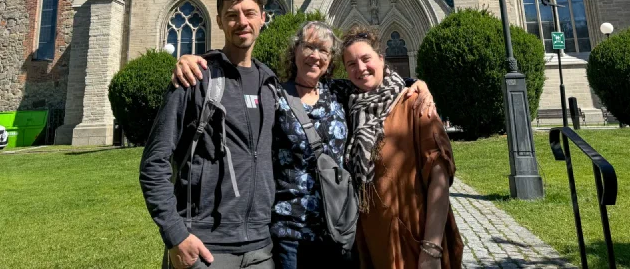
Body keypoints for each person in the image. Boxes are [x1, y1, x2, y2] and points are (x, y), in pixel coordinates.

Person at [172, 21, 436, 269]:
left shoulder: (339, 92)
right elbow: (237, 82)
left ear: (330, 59)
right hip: (290, 232)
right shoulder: (273, 92)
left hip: (338, 228)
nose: (315, 55)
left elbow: (377, 87)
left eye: (323, 50)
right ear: (295, 50)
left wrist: (418, 85)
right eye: (308, 46)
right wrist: (194, 61)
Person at [140, 0, 276, 269]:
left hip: (261, 248)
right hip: (205, 247)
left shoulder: (270, 85)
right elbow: (154, 162)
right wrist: (176, 235)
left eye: (250, 13)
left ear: (263, 17)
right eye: (232, 15)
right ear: (219, 21)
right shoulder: (195, 79)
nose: (242, 22)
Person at [340, 26, 463, 269]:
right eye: (351, 64)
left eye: (366, 59)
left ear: (382, 59)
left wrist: (432, 247)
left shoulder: (415, 103)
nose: (360, 68)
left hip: (412, 241)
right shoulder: (350, 110)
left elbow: (439, 175)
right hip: (370, 244)